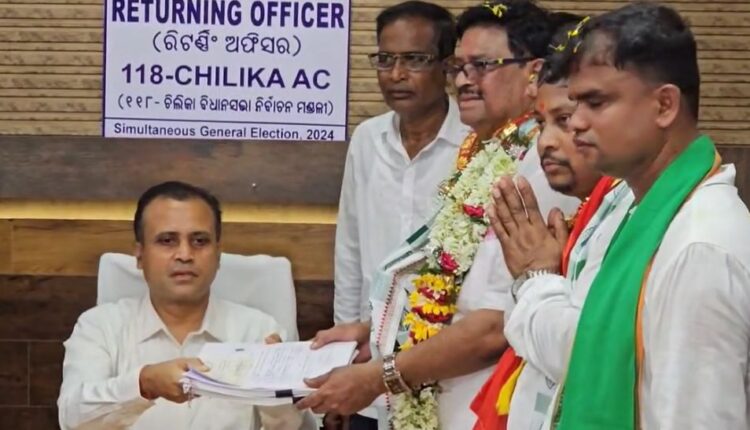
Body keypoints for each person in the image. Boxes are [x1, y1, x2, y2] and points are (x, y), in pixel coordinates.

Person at [299, 2, 579, 429]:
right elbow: (452, 292)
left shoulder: (543, 166)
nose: (463, 80)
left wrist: (380, 376)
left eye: (482, 65)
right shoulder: (489, 153)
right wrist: (374, 331)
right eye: (458, 67)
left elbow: (496, 324)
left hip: (488, 406)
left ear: (533, 74)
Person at [491, 4, 750, 429]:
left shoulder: (699, 245)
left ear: (664, 105)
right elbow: (597, 351)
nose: (576, 123)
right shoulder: (635, 204)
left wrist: (536, 280)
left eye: (596, 102)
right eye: (576, 103)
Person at [472, 14, 634, 430]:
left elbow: (591, 355)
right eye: (541, 122)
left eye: (564, 121)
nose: (545, 141)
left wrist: (537, 275)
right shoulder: (589, 209)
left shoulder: (631, 216)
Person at [58, 181, 310, 430]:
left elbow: (296, 427)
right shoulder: (100, 326)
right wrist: (144, 384)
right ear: (140, 255)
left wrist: (274, 391)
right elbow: (72, 419)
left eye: (199, 241)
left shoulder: (259, 331)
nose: (185, 255)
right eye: (167, 240)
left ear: (218, 255)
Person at [332, 2, 468, 427]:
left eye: (414, 59)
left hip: (447, 367)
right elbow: (350, 247)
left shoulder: (475, 144)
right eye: (385, 59)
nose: (395, 74)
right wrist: (343, 357)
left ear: (447, 66)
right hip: (370, 367)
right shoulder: (367, 139)